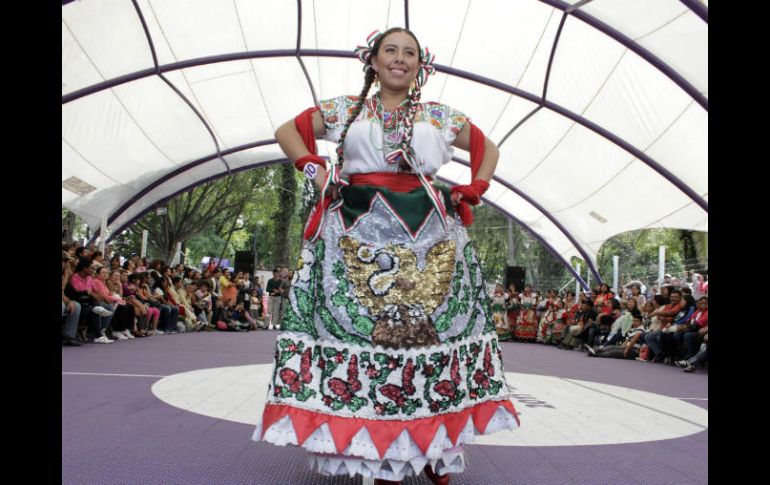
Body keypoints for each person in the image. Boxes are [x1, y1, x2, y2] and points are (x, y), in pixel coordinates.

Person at [253, 28, 518, 485]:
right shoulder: (344, 109)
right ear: (372, 61)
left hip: (430, 235)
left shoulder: (440, 115)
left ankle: (435, 448)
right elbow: (288, 132)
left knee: (430, 340)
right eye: (390, 51)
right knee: (367, 339)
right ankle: (382, 452)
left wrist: (477, 185)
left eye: (409, 53)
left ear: (421, 65)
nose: (399, 59)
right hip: (357, 231)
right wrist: (313, 168)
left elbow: (486, 148)